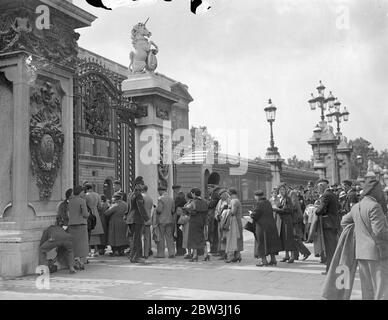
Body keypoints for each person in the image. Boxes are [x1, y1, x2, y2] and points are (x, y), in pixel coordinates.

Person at [341, 179, 388, 300]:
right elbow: (379, 231)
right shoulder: (375, 206)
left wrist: (358, 233)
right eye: (380, 189)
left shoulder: (357, 206)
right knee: (381, 288)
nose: (382, 192)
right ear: (375, 191)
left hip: (361, 252)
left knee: (367, 289)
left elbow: (344, 221)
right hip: (377, 252)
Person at [315, 178, 341, 274]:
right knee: (333, 247)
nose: (318, 189)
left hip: (328, 225)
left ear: (322, 186)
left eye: (318, 187)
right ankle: (333, 268)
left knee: (330, 249)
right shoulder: (333, 194)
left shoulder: (325, 195)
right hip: (333, 224)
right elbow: (338, 207)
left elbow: (320, 210)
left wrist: (316, 210)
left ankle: (330, 270)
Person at [251, 190, 281, 266]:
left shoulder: (259, 203)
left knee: (262, 243)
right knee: (271, 243)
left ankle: (263, 261)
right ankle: (273, 260)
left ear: (257, 196)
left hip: (262, 227)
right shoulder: (268, 202)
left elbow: (255, 215)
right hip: (271, 225)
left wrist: (251, 214)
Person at [125, 176, 148, 263]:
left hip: (130, 219)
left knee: (132, 239)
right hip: (137, 219)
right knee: (137, 239)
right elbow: (140, 207)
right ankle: (136, 257)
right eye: (142, 184)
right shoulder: (138, 195)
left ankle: (132, 256)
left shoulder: (130, 194)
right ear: (138, 185)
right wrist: (146, 218)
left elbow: (128, 208)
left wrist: (126, 216)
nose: (143, 186)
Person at [67, 186, 89, 270]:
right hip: (81, 224)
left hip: (72, 225)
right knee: (82, 244)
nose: (84, 193)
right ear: (80, 192)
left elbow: (68, 213)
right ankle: (82, 262)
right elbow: (85, 214)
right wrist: (89, 215)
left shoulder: (70, 202)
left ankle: (76, 260)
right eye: (83, 192)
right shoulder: (82, 201)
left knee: (74, 244)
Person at [273, 184, 296, 263]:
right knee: (284, 238)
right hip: (282, 220)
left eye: (283, 190)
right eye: (280, 190)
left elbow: (287, 210)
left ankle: (292, 256)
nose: (281, 191)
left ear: (286, 191)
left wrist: (276, 209)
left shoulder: (287, 198)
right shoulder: (280, 199)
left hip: (287, 220)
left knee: (289, 237)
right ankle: (286, 255)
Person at [184, 188, 208, 262]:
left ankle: (195, 256)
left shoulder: (194, 202)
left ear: (193, 193)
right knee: (202, 237)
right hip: (202, 221)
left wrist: (186, 208)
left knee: (193, 238)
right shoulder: (204, 202)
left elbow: (187, 208)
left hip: (194, 221)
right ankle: (206, 254)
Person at [104, 192, 128, 256]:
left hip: (115, 223)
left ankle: (115, 251)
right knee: (122, 237)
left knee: (114, 237)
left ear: (115, 198)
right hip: (123, 222)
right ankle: (122, 250)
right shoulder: (125, 204)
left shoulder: (115, 205)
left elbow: (106, 213)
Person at [290, 189, 311, 261]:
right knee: (293, 238)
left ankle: (306, 252)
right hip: (294, 220)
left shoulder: (292, 194)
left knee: (296, 238)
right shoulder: (290, 194)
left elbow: (294, 206)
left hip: (295, 220)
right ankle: (295, 255)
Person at [155, 186, 175, 258]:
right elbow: (173, 210)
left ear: (160, 191)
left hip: (161, 221)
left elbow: (159, 210)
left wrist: (155, 209)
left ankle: (160, 254)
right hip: (169, 220)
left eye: (158, 191)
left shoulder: (160, 199)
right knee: (169, 237)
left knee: (161, 238)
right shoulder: (171, 199)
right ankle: (171, 252)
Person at [225, 188, 244, 263]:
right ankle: (238, 255)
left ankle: (231, 257)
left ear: (230, 193)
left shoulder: (233, 201)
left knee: (232, 239)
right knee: (238, 239)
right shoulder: (237, 200)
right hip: (238, 222)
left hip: (234, 223)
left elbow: (232, 212)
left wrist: (227, 209)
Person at [85, 184, 104, 256]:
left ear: (86, 189)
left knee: (89, 232)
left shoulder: (86, 195)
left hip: (89, 213)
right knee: (96, 232)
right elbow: (100, 206)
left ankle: (89, 251)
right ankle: (96, 250)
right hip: (96, 213)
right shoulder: (97, 195)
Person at [216, 189, 231, 260]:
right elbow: (217, 210)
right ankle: (222, 252)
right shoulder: (219, 201)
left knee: (225, 237)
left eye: (221, 195)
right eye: (220, 195)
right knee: (220, 237)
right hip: (220, 221)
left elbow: (229, 211)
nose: (221, 197)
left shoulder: (229, 201)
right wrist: (217, 216)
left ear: (225, 194)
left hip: (226, 222)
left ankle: (226, 253)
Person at [173, 185, 187, 256]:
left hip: (179, 216)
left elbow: (174, 206)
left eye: (174, 190)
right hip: (182, 216)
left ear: (176, 189)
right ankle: (182, 250)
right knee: (181, 233)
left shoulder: (179, 197)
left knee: (179, 234)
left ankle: (180, 251)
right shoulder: (183, 195)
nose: (174, 192)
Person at [207, 184, 221, 255]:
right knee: (212, 232)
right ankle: (213, 248)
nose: (208, 189)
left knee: (213, 232)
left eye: (209, 188)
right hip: (211, 216)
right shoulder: (213, 194)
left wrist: (208, 203)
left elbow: (211, 204)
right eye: (207, 188)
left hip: (213, 217)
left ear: (213, 188)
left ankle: (214, 249)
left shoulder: (215, 195)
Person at [142, 185, 154, 259]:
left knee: (139, 237)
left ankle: (141, 252)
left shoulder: (141, 197)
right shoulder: (150, 198)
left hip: (141, 219)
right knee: (147, 237)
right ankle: (146, 253)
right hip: (148, 219)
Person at [181, 192, 193, 259]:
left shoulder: (189, 204)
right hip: (188, 222)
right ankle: (190, 252)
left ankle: (190, 253)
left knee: (187, 237)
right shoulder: (188, 204)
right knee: (187, 237)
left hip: (188, 221)